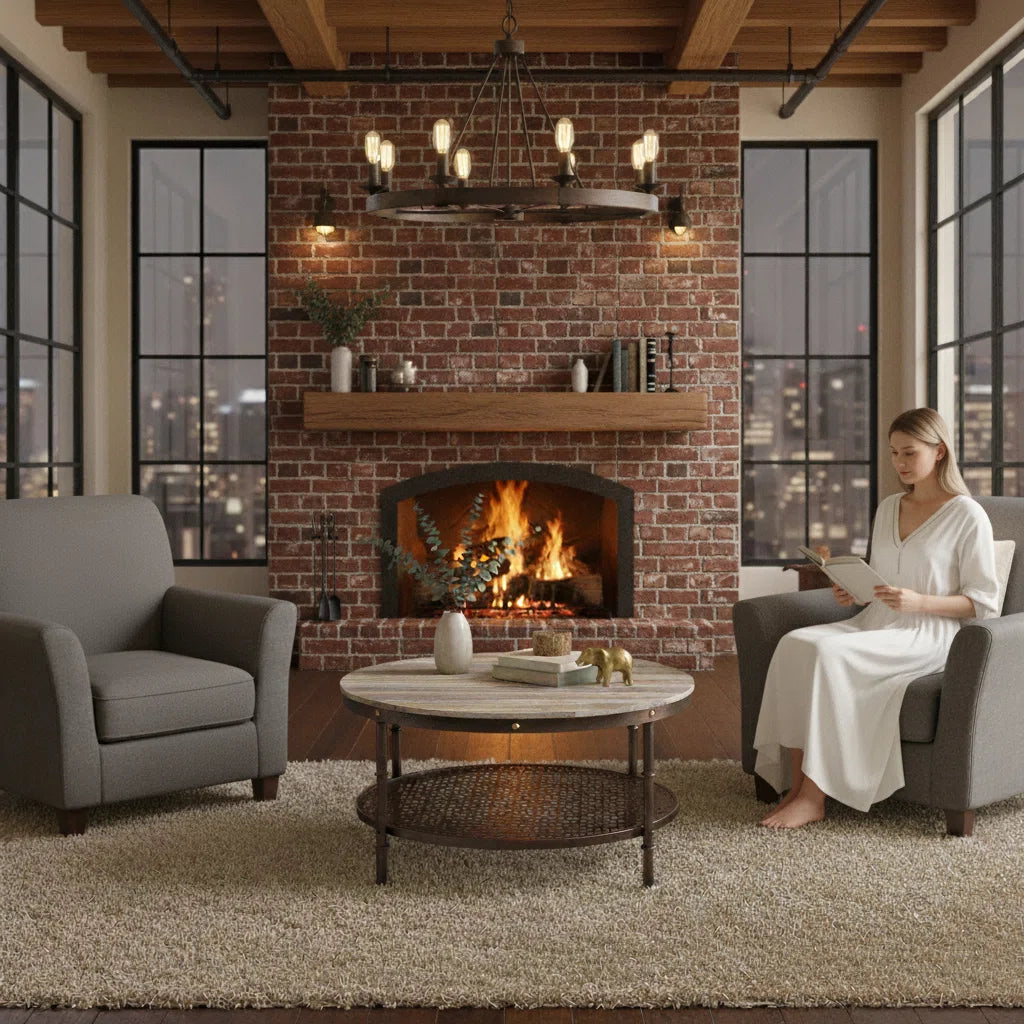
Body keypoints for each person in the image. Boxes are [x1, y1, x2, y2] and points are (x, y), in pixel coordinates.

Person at [753, 407, 1001, 829]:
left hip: (927, 634)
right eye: (893, 453)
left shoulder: (967, 515)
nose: (900, 463)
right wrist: (854, 591)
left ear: (939, 451)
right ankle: (796, 787)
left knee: (829, 655)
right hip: (876, 622)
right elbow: (883, 579)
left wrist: (919, 603)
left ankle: (814, 797)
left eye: (909, 453)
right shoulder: (888, 507)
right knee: (795, 644)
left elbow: (983, 602)